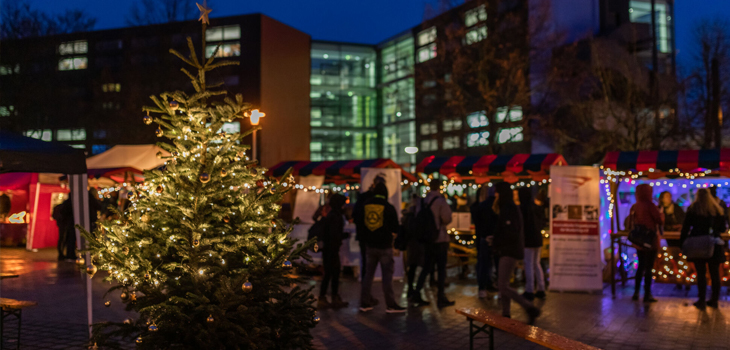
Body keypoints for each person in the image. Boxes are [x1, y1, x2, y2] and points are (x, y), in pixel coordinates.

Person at [492, 182, 540, 324]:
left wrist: (497, 241)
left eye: (497, 193)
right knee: (504, 283)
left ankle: (529, 307)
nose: (495, 195)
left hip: (509, 250)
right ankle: (506, 313)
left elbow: (510, 231)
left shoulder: (509, 209)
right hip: (510, 249)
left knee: (502, 285)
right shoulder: (510, 208)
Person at [358, 183, 405, 313]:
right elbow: (395, 227)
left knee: (368, 275)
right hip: (384, 246)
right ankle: (390, 305)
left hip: (369, 245)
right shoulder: (388, 207)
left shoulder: (365, 205)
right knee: (387, 277)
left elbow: (360, 223)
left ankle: (365, 302)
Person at [680, 188, 727, 309]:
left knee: (701, 273)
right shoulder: (717, 210)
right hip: (715, 244)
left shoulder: (693, 209)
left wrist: (683, 243)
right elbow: (722, 228)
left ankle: (701, 300)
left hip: (697, 244)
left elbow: (685, 228)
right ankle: (714, 300)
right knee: (715, 273)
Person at [411, 185, 455, 308]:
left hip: (427, 239)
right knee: (441, 269)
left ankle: (417, 292)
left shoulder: (423, 200)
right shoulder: (441, 201)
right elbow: (446, 218)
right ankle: (441, 296)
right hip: (440, 238)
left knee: (426, 267)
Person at [628, 184, 664, 302]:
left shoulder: (635, 206)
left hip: (639, 241)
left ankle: (636, 292)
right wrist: (661, 214)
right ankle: (647, 294)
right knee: (649, 267)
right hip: (650, 240)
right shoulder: (650, 205)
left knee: (640, 266)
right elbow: (659, 220)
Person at [317, 194, 349, 309]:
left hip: (329, 249)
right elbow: (334, 234)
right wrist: (344, 235)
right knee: (333, 274)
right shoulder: (336, 216)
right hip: (332, 249)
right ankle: (329, 297)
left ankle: (326, 297)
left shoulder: (332, 215)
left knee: (331, 274)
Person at [353, 175, 386, 282]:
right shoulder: (379, 200)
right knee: (373, 265)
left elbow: (355, 216)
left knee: (367, 265)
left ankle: (365, 292)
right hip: (375, 236)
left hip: (365, 235)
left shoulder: (363, 198)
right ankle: (366, 292)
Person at [519, 187, 546, 301]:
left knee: (528, 264)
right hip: (538, 238)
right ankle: (541, 288)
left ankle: (529, 290)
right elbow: (542, 223)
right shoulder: (536, 207)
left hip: (528, 240)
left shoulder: (522, 208)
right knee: (536, 264)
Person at [471, 186, 498, 298]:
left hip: (483, 238)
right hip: (495, 239)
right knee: (494, 263)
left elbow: (477, 222)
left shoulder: (480, 206)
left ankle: (483, 288)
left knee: (484, 263)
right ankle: (491, 286)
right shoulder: (497, 206)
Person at [657, 191, 686, 290]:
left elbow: (683, 219)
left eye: (669, 196)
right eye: (666, 196)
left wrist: (680, 226)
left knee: (681, 257)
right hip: (669, 237)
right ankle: (676, 278)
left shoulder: (676, 208)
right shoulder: (660, 209)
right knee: (672, 258)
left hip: (679, 236)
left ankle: (684, 278)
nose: (669, 198)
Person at [403, 194, 423, 298]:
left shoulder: (408, 214)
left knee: (412, 268)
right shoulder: (415, 215)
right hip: (416, 244)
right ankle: (414, 291)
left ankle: (412, 290)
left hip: (411, 244)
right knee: (416, 267)